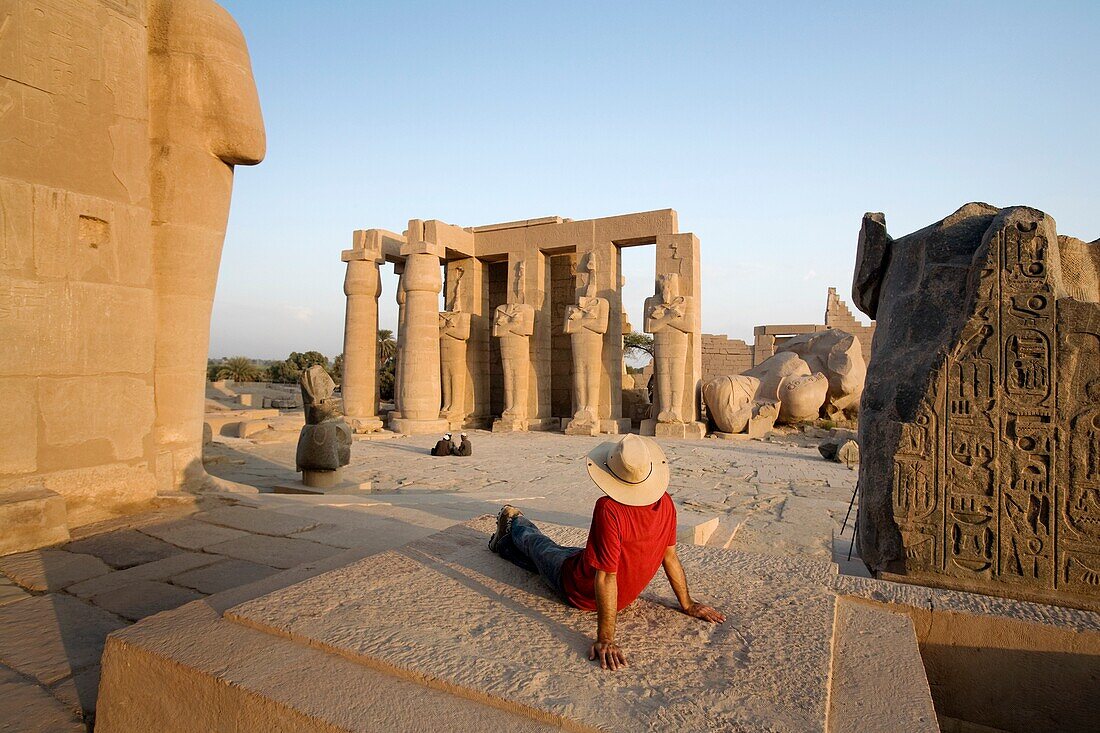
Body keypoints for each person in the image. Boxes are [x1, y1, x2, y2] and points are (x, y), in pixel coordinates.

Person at [488, 434, 725, 671]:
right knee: (549, 559)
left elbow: (605, 576)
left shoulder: (609, 508)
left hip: (577, 588)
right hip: (602, 578)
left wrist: (606, 638)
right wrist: (687, 604)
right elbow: (669, 556)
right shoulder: (665, 502)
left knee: (539, 545)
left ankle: (514, 521)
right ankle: (504, 544)